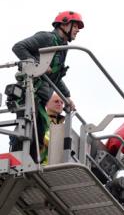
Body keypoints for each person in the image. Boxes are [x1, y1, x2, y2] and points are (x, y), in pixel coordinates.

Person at [11, 11, 84, 162]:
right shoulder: (47, 38)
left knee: (38, 133)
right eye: (75, 26)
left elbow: (55, 78)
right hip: (29, 92)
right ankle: (17, 161)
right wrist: (37, 64)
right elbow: (18, 47)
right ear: (64, 24)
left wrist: (67, 97)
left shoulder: (62, 48)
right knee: (28, 131)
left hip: (39, 98)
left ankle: (30, 165)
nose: (77, 30)